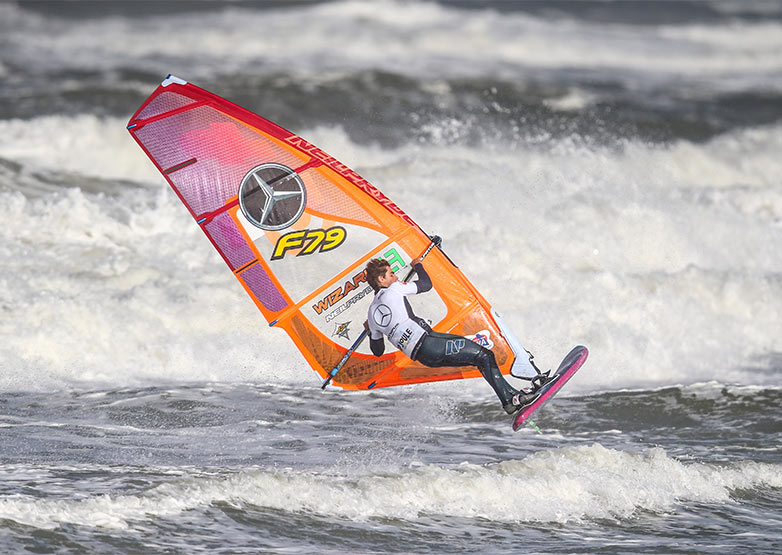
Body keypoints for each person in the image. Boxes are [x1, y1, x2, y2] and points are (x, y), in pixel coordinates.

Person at [364, 254, 542, 415]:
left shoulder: (371, 313)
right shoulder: (395, 288)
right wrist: (418, 265)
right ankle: (510, 400)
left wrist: (371, 330)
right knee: (485, 355)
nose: (395, 277)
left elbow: (377, 350)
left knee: (480, 358)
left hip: (424, 356)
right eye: (391, 274)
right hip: (429, 344)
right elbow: (426, 284)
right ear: (381, 279)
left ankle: (514, 397)